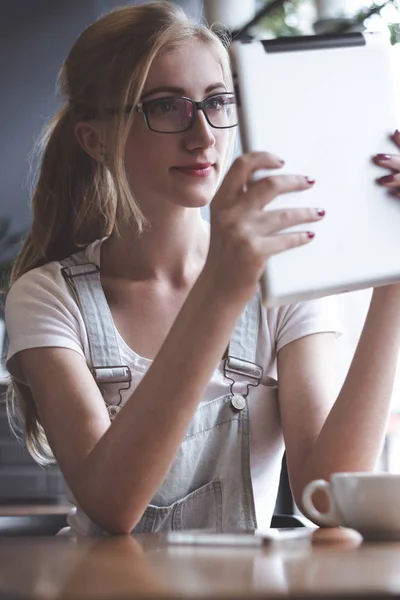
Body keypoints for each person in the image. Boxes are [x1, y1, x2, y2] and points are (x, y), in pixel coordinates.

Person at [4, 1, 400, 536]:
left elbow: (325, 496)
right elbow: (111, 504)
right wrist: (223, 285)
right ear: (94, 139)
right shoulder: (47, 298)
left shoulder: (285, 281)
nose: (203, 135)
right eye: (166, 106)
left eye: (217, 101)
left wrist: (393, 282)